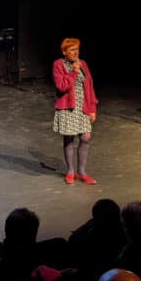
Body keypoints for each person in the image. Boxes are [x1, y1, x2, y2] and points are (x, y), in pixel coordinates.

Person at [53, 38, 98, 184]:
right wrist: (73, 72)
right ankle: (71, 171)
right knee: (69, 139)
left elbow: (90, 86)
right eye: (72, 50)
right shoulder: (59, 64)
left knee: (86, 137)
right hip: (68, 107)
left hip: (83, 106)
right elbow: (61, 86)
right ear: (64, 52)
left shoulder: (83, 63)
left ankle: (82, 172)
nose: (75, 52)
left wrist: (92, 108)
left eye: (77, 49)